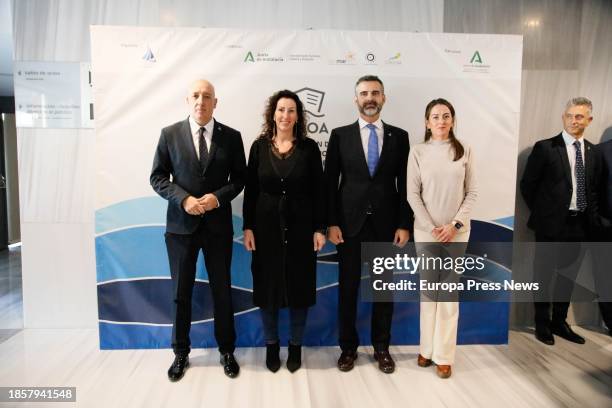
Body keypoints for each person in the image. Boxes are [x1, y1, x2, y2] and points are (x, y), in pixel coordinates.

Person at [150, 79, 246, 381]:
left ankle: (227, 350)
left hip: (218, 228)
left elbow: (240, 179)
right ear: (187, 100)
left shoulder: (232, 137)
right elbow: (157, 177)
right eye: (196, 95)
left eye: (207, 96)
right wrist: (184, 199)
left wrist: (218, 198)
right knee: (181, 293)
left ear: (215, 102)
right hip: (181, 228)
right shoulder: (169, 134)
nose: (201, 101)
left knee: (222, 291)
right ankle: (180, 353)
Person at [325, 75, 412, 374]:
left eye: (375, 92)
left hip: (386, 226)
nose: (370, 98)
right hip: (349, 226)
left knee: (383, 291)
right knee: (347, 291)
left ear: (384, 98)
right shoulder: (340, 135)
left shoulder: (400, 137)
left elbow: (406, 184)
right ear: (356, 99)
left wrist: (404, 223)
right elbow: (329, 184)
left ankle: (381, 348)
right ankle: (348, 348)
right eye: (364, 93)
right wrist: (331, 223)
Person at [242, 90, 326, 373]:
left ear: (298, 116)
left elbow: (319, 192)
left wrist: (319, 228)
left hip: (302, 230)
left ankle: (295, 345)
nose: (285, 116)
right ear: (273, 114)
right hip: (265, 230)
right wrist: (248, 227)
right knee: (268, 286)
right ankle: (271, 344)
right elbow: (251, 192)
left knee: (299, 286)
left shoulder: (309, 148)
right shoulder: (258, 147)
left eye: (291, 110)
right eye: (281, 110)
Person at [520, 97, 605, 346]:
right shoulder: (545, 148)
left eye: (579, 116)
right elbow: (528, 185)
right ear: (563, 117)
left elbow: (595, 190)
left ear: (589, 120)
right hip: (550, 226)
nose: (573, 120)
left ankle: (560, 322)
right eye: (569, 115)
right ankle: (542, 324)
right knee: (543, 275)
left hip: (579, 226)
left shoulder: (593, 152)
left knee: (568, 277)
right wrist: (545, 214)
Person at [407, 98, 478, 379]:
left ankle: (444, 356)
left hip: (457, 233)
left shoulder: (465, 150)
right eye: (435, 117)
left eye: (446, 116)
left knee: (448, 295)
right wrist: (432, 226)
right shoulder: (418, 152)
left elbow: (472, 192)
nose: (441, 121)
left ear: (452, 120)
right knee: (428, 294)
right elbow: (412, 194)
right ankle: (426, 349)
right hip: (426, 232)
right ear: (427, 122)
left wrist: (454, 224)